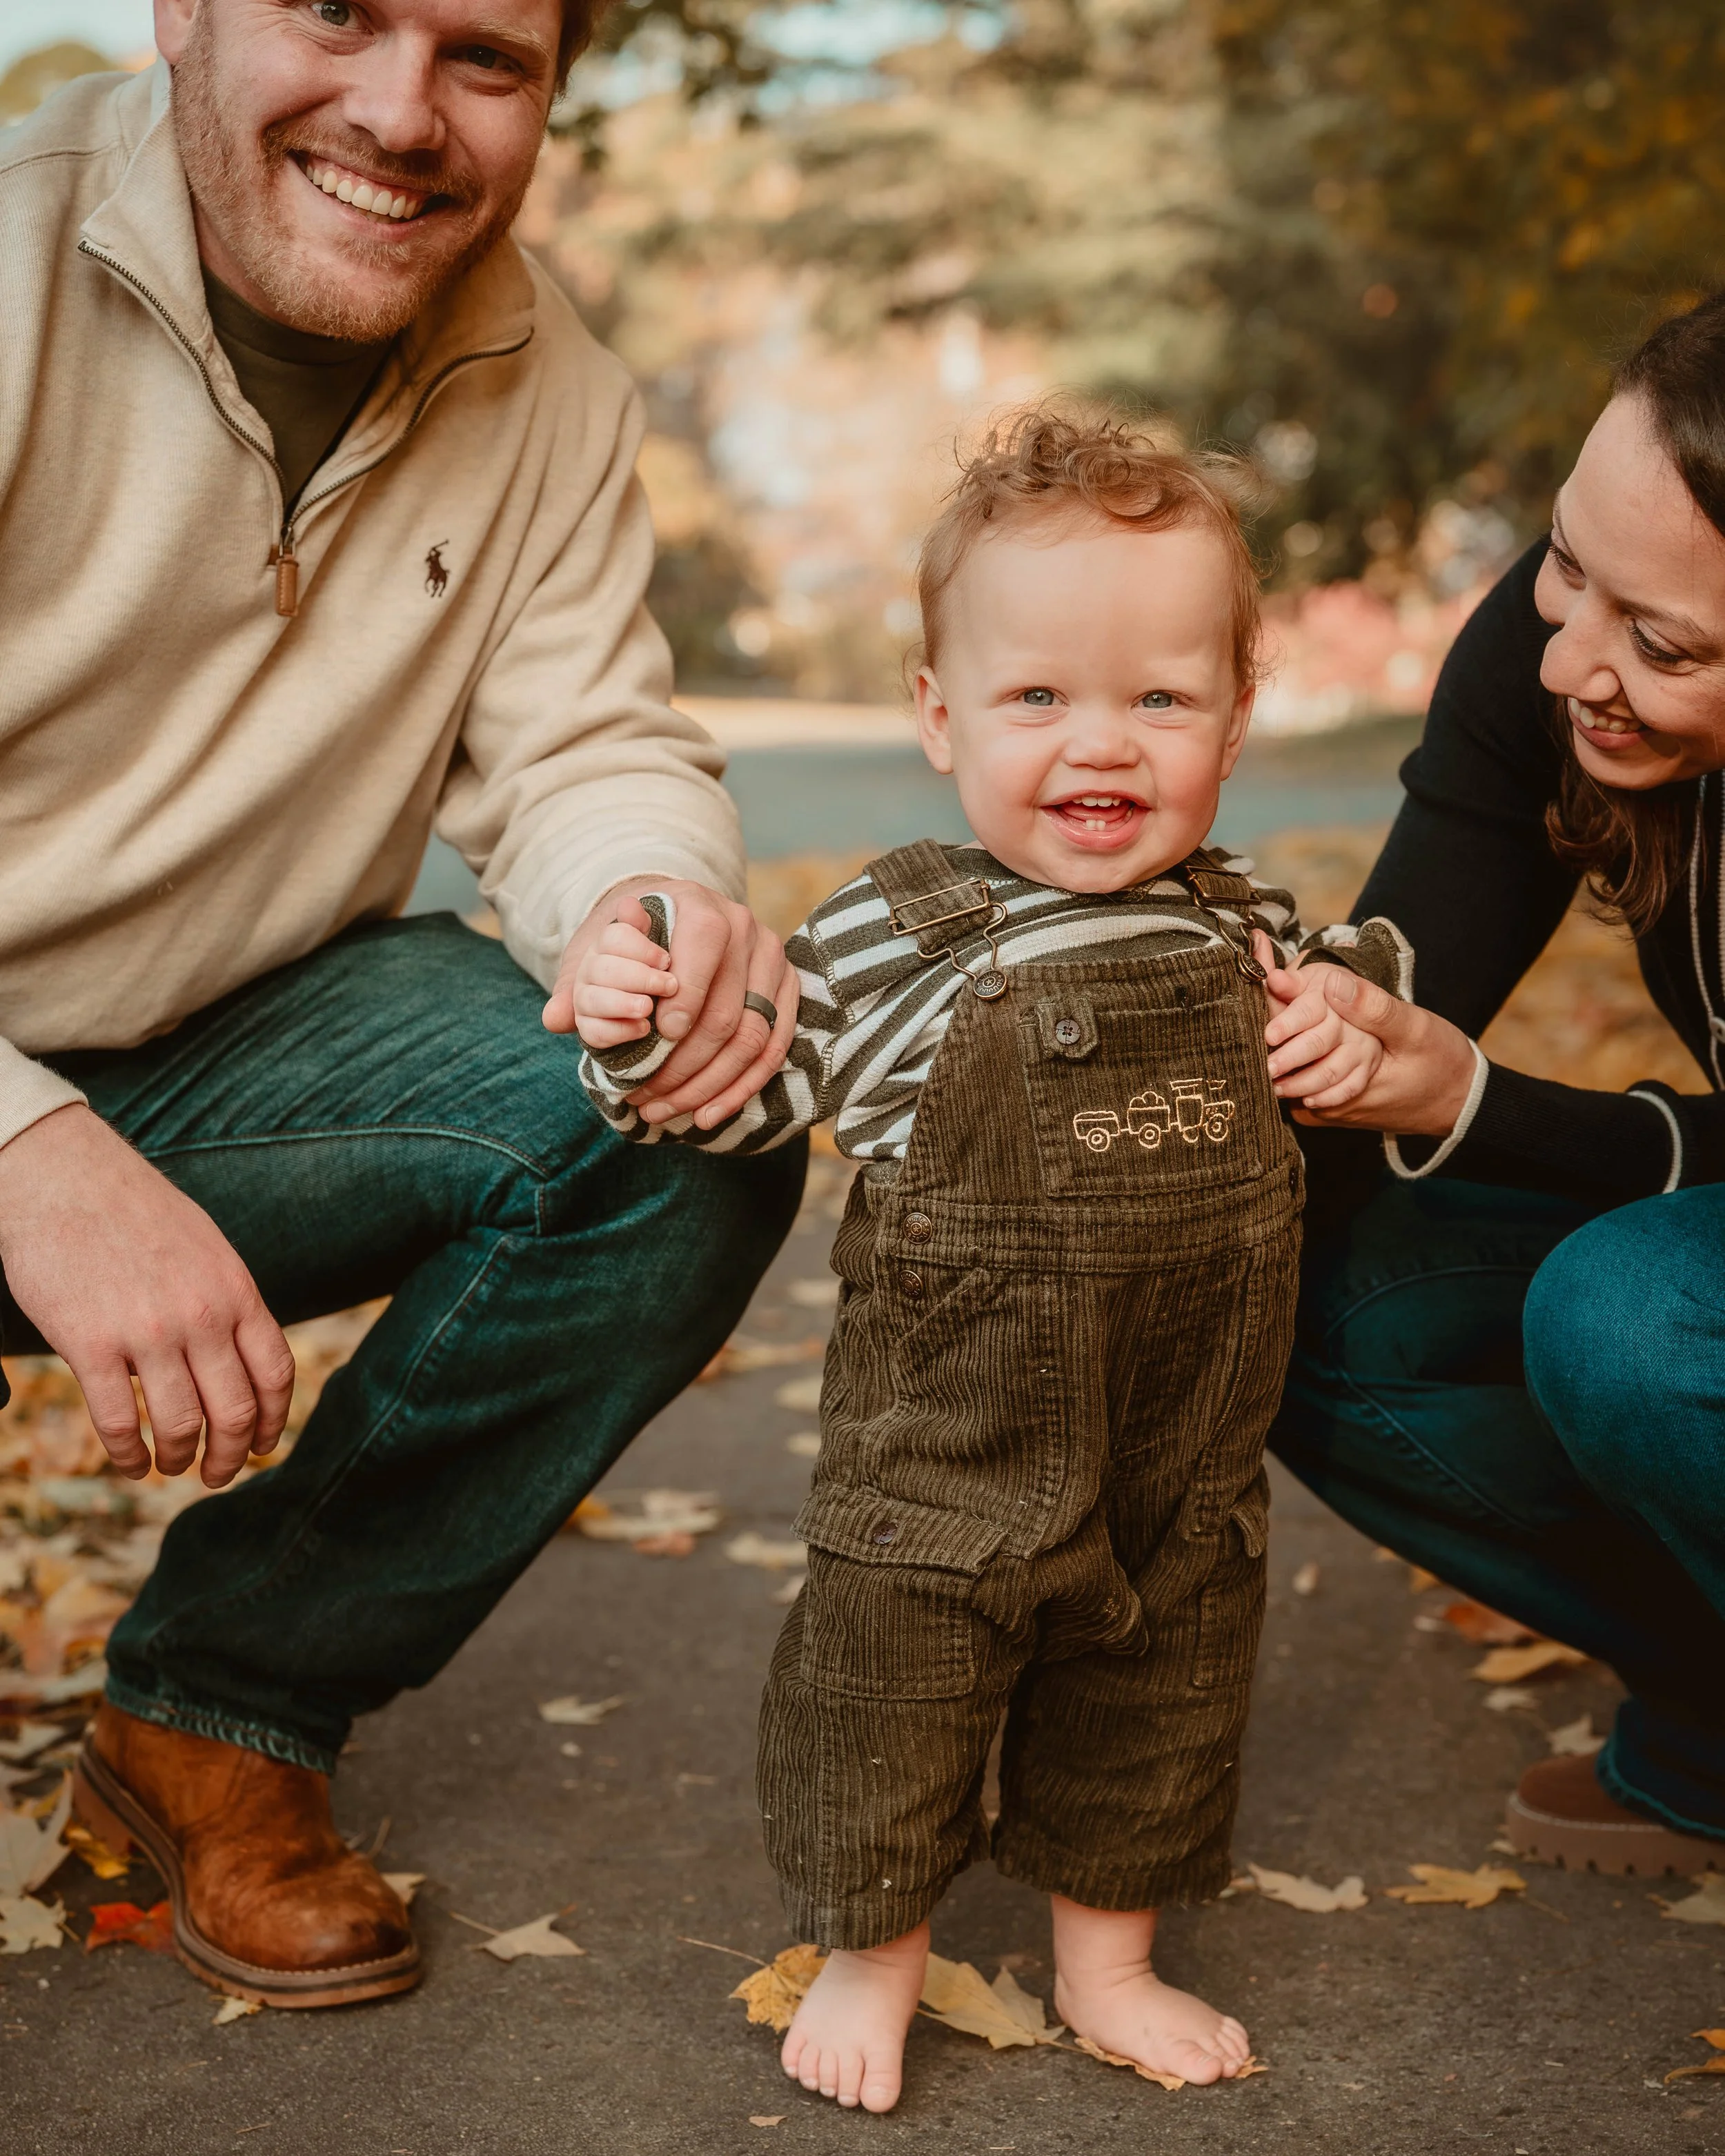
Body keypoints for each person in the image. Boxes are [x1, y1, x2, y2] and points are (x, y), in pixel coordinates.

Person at [3, 0, 805, 2009]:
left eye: (484, 54)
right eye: (339, 13)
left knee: (679, 1117)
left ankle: (222, 1703)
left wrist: (650, 912)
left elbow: (588, 742)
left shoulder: (548, 382)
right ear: (183, 10)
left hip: (227, 1056)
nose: (400, 113)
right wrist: (23, 1142)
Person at [575, 406, 1411, 2112]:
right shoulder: (897, 929)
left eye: (1158, 698)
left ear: (1236, 722)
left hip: (1179, 1437)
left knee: (1160, 1671)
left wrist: (1347, 1023)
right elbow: (749, 1095)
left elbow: (1367, 1002)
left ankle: (1108, 1955)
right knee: (895, 1677)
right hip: (945, 1452)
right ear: (938, 715)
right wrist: (638, 1035)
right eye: (1036, 697)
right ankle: (871, 1950)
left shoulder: (1246, 923)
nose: (1098, 744)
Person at [1259, 290, 1725, 1878]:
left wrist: (1478, 1108)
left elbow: (1476, 1096)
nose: (1568, 659)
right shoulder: (1551, 657)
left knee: (1636, 1314)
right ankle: (1712, 1718)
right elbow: (1399, 957)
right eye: (1563, 563)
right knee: (1286, 1278)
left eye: (1658, 644)